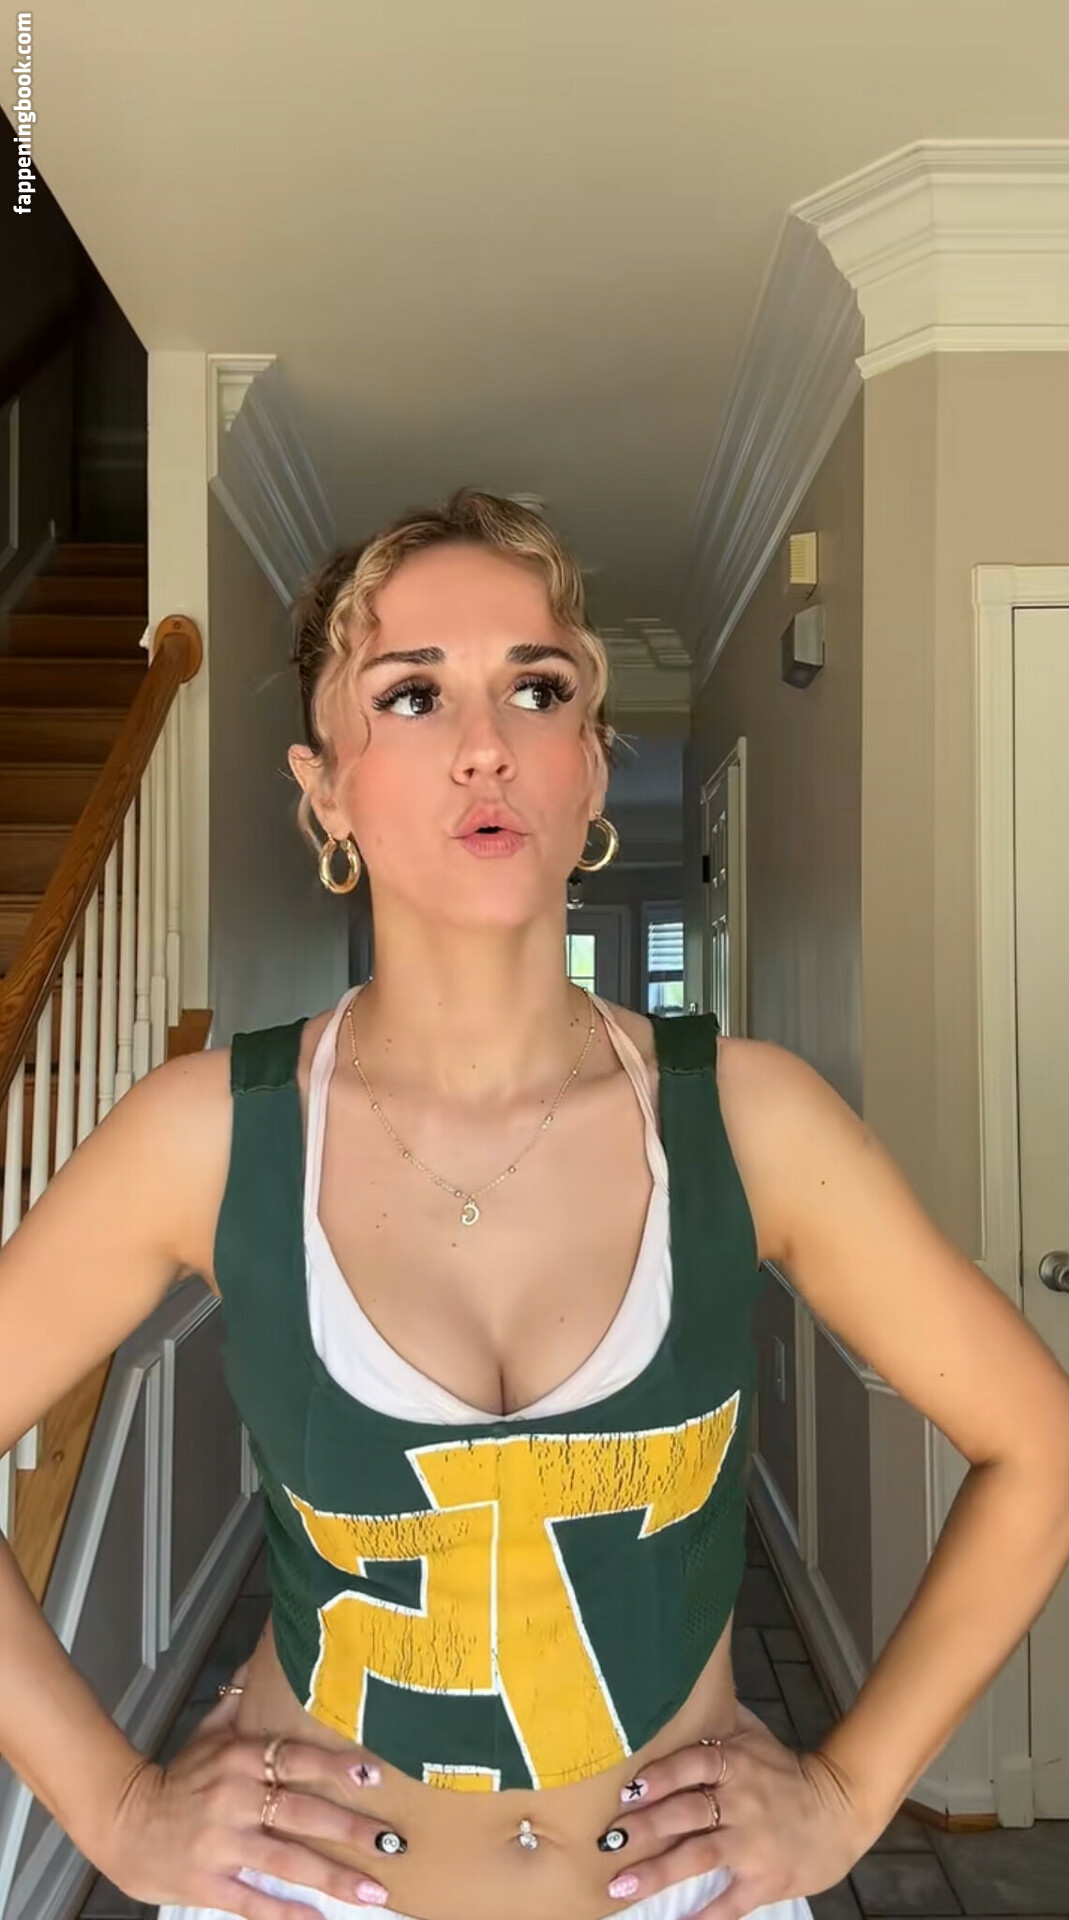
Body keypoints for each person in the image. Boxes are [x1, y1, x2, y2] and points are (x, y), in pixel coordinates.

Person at [1, 491, 1069, 1920]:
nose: (485, 743)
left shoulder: (747, 1118)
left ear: (590, 767)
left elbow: (1038, 1446)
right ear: (324, 789)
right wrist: (119, 1811)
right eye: (412, 694)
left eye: (537, 687)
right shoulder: (208, 1134)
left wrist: (846, 1794)